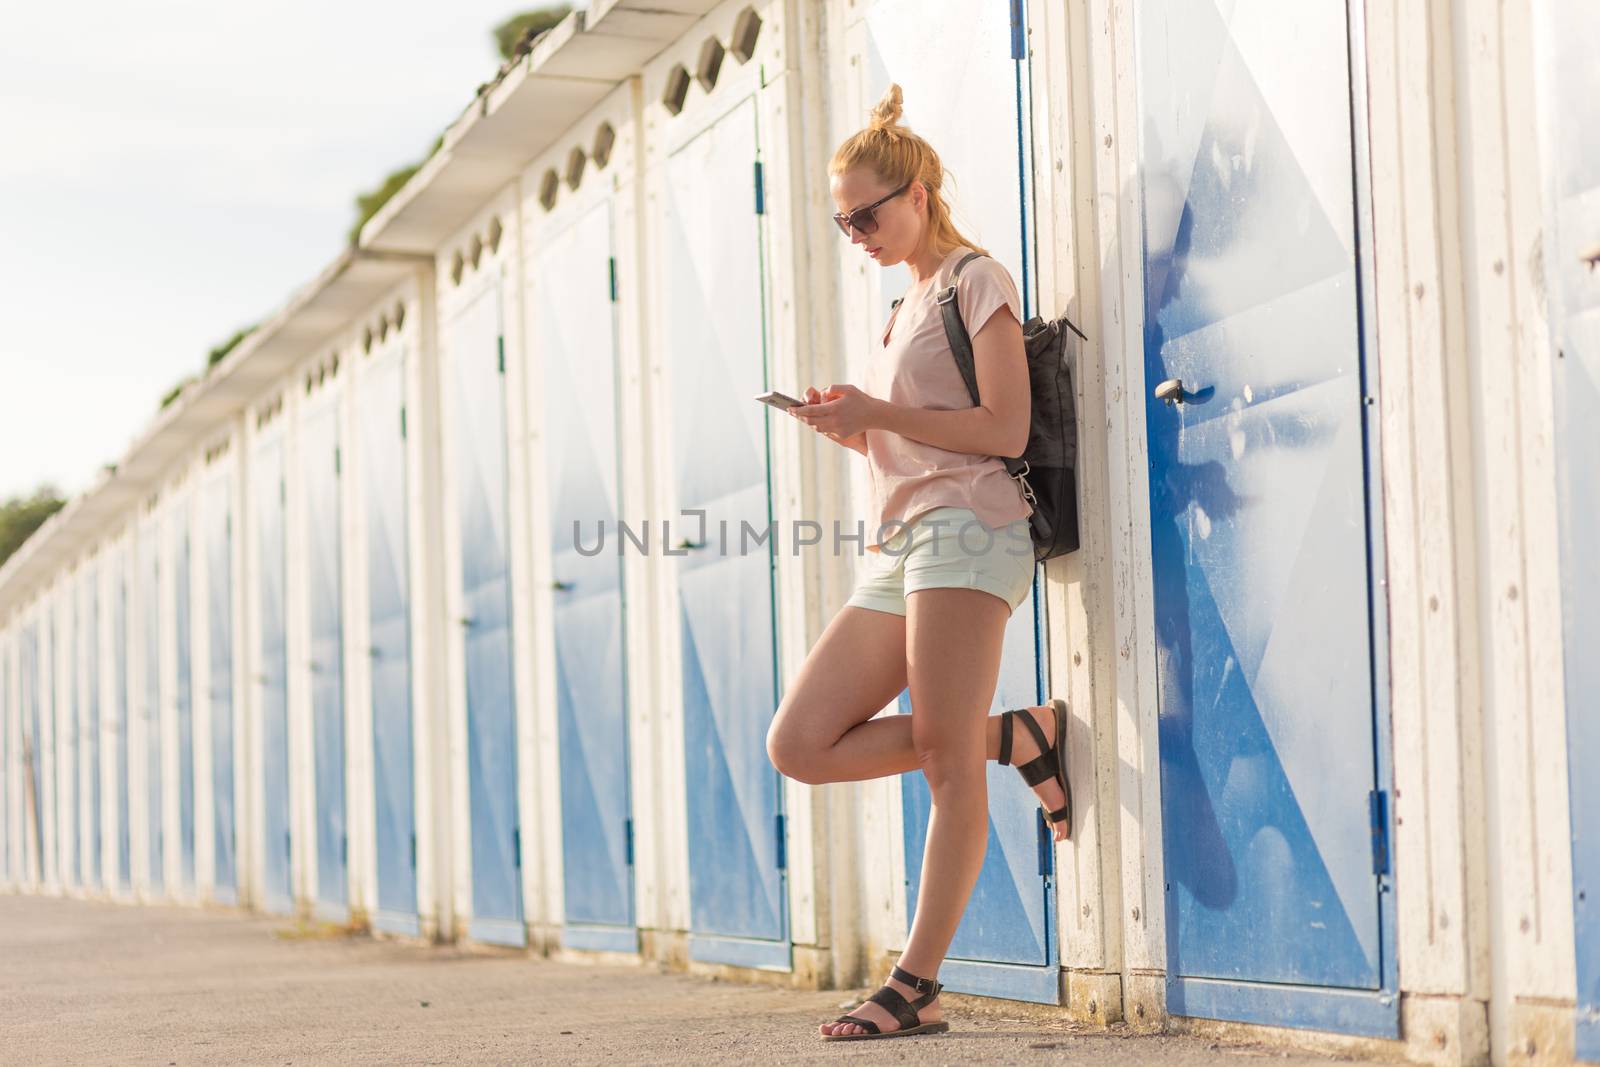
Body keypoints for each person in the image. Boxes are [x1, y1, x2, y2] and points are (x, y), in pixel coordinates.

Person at [765, 83, 1073, 1042]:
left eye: (867, 213)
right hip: (904, 542)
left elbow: (1002, 428)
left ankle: (916, 983)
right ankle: (1019, 735)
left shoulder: (977, 280)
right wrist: (849, 430)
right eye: (841, 219)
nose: (855, 231)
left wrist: (880, 413)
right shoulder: (903, 309)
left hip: (970, 530)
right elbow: (919, 440)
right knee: (799, 744)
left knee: (942, 758)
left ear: (919, 194)